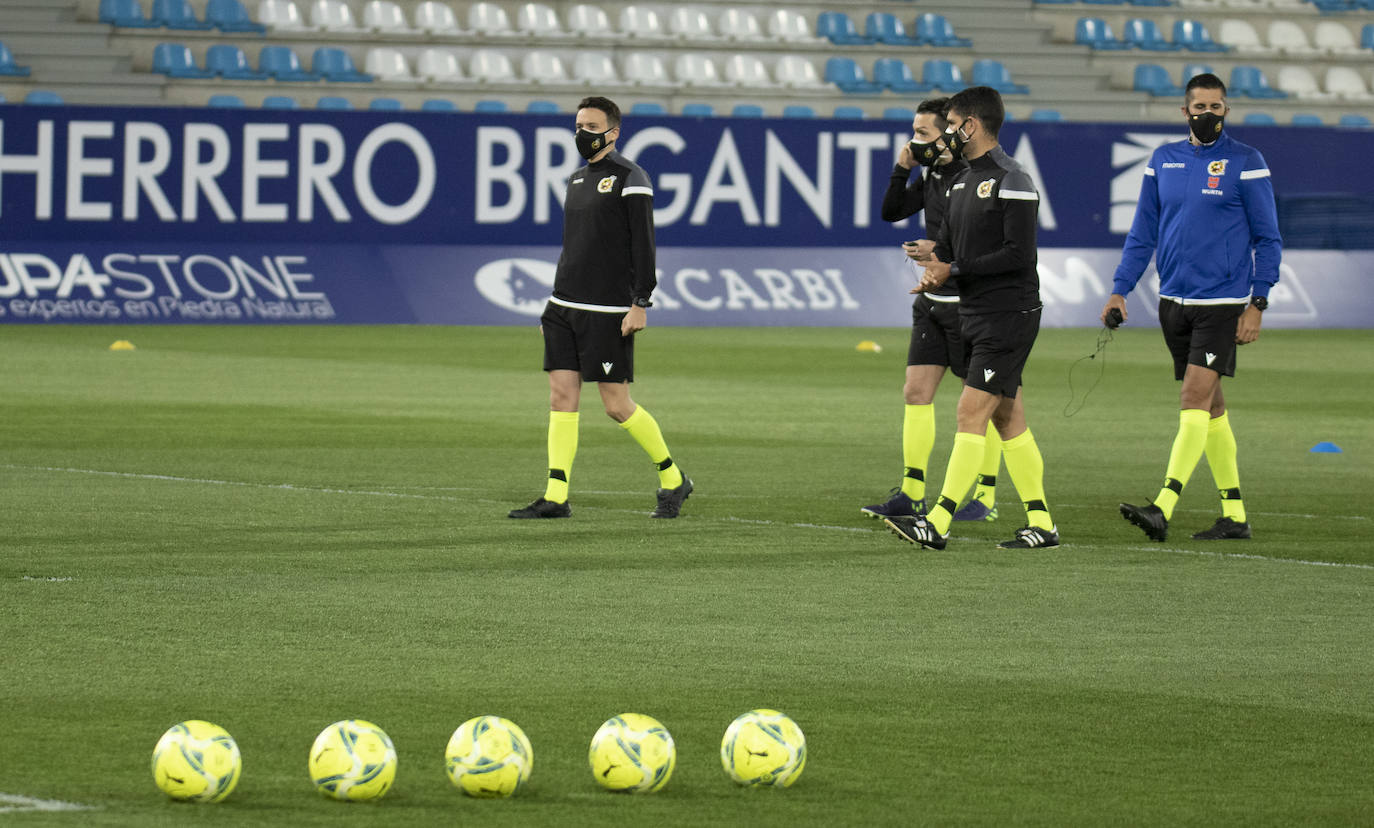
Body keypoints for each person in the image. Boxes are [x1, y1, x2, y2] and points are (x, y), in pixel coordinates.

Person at [1105, 73, 1281, 541]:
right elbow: (1143, 233)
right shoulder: (1164, 160)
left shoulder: (1247, 161)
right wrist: (1121, 288)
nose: (1207, 115)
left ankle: (1163, 506)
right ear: (1185, 112)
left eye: (1216, 108)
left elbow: (1268, 238)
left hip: (1222, 303)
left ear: (1227, 110)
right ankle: (1235, 515)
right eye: (1199, 107)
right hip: (1173, 302)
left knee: (1192, 400)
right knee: (1212, 407)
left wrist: (1257, 301)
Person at [884, 86, 1060, 550]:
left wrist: (953, 267)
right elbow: (959, 247)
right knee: (1008, 419)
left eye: (954, 124)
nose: (947, 135)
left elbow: (1019, 255)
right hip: (976, 309)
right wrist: (937, 259)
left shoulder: (1012, 178)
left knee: (970, 412)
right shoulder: (961, 180)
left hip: (1009, 312)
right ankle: (1042, 524)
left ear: (971, 126)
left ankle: (936, 521)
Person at [509, 96, 693, 520]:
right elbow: (574, 248)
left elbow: (643, 245)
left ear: (613, 132)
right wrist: (552, 304)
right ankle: (556, 496)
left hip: (609, 311)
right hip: (563, 306)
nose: (582, 133)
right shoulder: (576, 180)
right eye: (578, 125)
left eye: (591, 126)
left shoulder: (632, 177)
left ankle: (672, 478)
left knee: (616, 405)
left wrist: (640, 302)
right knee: (561, 396)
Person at [861, 97, 1004, 525]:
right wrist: (902, 166)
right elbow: (891, 212)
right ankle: (912, 492)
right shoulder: (934, 173)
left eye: (923, 133)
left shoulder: (972, 176)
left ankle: (984, 495)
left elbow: (987, 242)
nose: (915, 140)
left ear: (952, 131)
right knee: (915, 392)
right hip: (932, 301)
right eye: (914, 132)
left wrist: (938, 249)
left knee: (984, 403)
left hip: (970, 305)